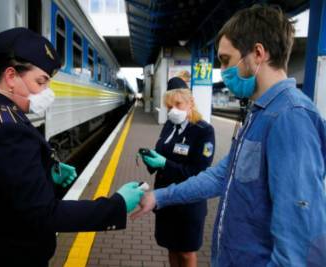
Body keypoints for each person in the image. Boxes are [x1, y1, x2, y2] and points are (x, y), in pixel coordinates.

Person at [132, 5, 326, 267]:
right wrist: (160, 196)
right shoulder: (260, 114)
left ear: (258, 53)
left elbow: (298, 246)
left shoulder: (290, 118)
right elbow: (222, 175)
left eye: (225, 60)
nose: (222, 71)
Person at [0, 27, 144, 267]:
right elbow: (44, 215)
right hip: (13, 256)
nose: (46, 92)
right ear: (11, 76)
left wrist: (46, 172)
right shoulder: (8, 128)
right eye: (40, 82)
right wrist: (116, 205)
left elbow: (3, 188)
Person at [140, 77, 215, 267]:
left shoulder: (203, 131)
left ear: (191, 103)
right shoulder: (169, 125)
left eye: (178, 104)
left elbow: (198, 172)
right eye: (168, 106)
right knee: (171, 247)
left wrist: (165, 163)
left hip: (188, 202)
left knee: (186, 253)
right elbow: (162, 152)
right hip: (165, 199)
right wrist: (151, 160)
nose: (173, 110)